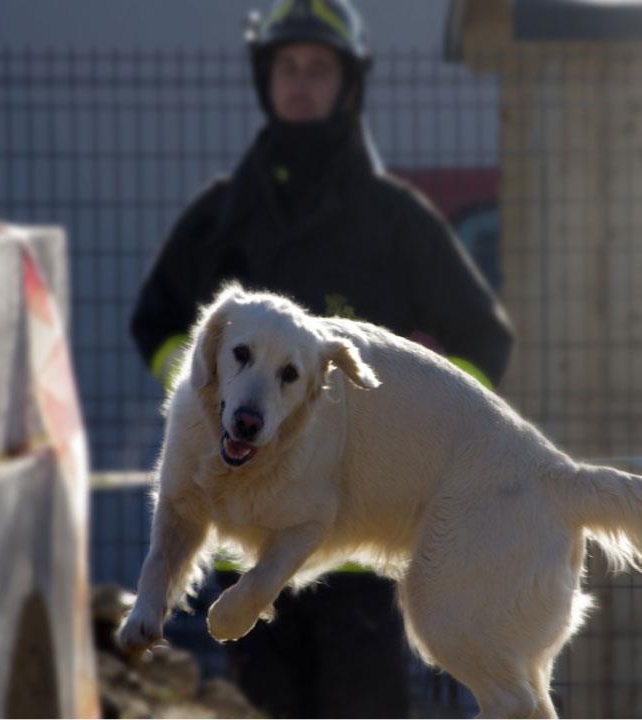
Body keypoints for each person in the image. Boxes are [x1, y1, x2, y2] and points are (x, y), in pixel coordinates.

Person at [130, 0, 514, 716]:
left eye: (318, 68)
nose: (300, 83)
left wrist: (432, 447)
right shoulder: (218, 216)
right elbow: (151, 321)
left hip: (354, 548)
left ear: (349, 84)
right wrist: (208, 394)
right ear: (264, 79)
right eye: (286, 67)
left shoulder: (394, 220)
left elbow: (484, 335)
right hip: (241, 547)